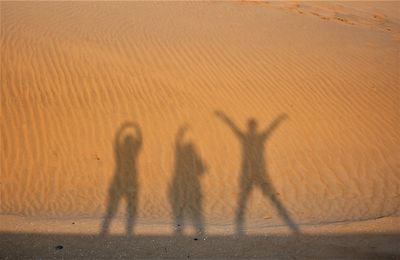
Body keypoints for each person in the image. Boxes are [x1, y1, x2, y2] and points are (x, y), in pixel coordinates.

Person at [215, 111, 299, 235]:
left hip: (259, 174)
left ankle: (291, 226)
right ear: (252, 127)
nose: (252, 128)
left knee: (270, 198)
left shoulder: (256, 138)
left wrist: (279, 120)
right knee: (245, 200)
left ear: (252, 127)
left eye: (252, 126)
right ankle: (238, 228)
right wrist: (224, 117)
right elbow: (233, 127)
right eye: (252, 126)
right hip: (251, 174)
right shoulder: (249, 138)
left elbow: (271, 129)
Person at [100, 122, 142, 236]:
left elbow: (117, 141)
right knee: (128, 208)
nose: (132, 144)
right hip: (126, 183)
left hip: (120, 183)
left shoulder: (122, 152)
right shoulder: (128, 153)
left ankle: (107, 230)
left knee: (116, 208)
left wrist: (123, 129)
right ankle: (127, 231)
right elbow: (139, 140)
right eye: (131, 141)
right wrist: (134, 127)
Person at [169, 125, 206, 235]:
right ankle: (196, 230)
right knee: (190, 208)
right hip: (186, 185)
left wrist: (181, 132)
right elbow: (177, 144)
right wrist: (181, 132)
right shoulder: (184, 155)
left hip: (187, 186)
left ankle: (190, 229)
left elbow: (202, 169)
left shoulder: (187, 157)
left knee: (186, 208)